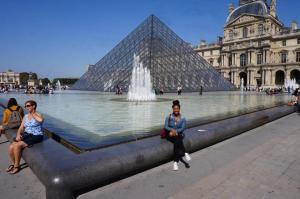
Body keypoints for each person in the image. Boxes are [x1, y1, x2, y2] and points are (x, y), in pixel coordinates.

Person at [6, 100, 44, 174]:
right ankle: (14, 164)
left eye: (28, 106)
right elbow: (21, 127)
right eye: (25, 106)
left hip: (36, 135)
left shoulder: (39, 115)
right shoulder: (26, 116)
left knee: (17, 145)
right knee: (11, 146)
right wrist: (18, 134)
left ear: (33, 106)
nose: (26, 107)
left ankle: (17, 166)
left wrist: (32, 113)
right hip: (27, 134)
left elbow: (41, 120)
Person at [164, 100, 191, 170]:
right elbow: (166, 126)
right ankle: (185, 152)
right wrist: (172, 130)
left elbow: (182, 128)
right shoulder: (169, 116)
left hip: (177, 134)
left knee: (177, 139)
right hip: (170, 134)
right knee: (177, 138)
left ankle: (175, 163)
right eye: (174, 109)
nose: (176, 110)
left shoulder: (183, 118)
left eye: (177, 109)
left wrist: (175, 131)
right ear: (172, 109)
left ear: (179, 109)